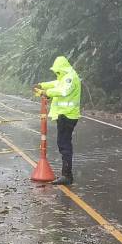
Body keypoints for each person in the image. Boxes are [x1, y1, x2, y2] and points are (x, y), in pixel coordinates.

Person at [33, 56, 81, 186]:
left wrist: (46, 92)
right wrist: (42, 85)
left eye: (58, 71)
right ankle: (66, 174)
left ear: (62, 68)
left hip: (68, 116)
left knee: (64, 145)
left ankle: (67, 176)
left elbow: (62, 90)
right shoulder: (64, 77)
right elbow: (56, 83)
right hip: (64, 115)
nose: (56, 73)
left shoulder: (70, 78)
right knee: (63, 144)